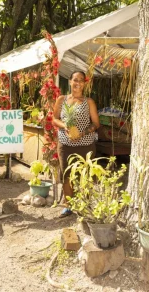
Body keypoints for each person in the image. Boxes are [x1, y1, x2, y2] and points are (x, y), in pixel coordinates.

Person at [53, 71, 100, 217]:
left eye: (81, 80)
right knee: (66, 174)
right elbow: (54, 119)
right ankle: (68, 205)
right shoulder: (62, 100)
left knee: (84, 174)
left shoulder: (89, 102)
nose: (78, 83)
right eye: (75, 80)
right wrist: (65, 126)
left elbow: (96, 123)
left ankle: (84, 203)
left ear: (84, 83)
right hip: (65, 144)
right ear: (70, 81)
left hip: (85, 145)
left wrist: (83, 133)